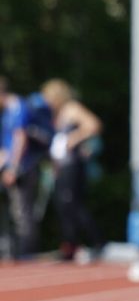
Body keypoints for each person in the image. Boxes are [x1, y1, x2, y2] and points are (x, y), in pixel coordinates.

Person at [42, 80, 105, 262]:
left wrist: (75, 138)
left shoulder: (72, 108)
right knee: (62, 206)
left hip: (74, 165)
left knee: (74, 204)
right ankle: (70, 244)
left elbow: (94, 124)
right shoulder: (56, 114)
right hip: (62, 166)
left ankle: (97, 242)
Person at [2, 79, 55, 259]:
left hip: (24, 167)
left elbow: (20, 139)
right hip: (13, 166)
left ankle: (27, 253)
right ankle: (19, 251)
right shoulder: (7, 113)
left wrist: (13, 168)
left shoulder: (18, 108)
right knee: (17, 211)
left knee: (23, 211)